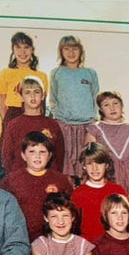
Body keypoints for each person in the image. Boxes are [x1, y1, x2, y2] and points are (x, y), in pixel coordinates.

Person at [0, 132, 72, 255]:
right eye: (32, 151)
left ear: (50, 155)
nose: (37, 156)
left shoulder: (60, 180)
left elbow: (69, 213)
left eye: (42, 152)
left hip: (52, 244)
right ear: (23, 155)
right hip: (23, 244)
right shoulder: (11, 181)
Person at [49, 35, 99, 182]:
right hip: (64, 125)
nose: (71, 53)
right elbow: (53, 99)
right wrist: (58, 119)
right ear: (61, 52)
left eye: (75, 48)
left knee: (87, 165)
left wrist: (93, 122)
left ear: (81, 51)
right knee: (66, 168)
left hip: (86, 126)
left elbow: (96, 98)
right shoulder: (57, 73)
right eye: (67, 49)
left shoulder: (90, 73)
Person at [1, 76, 65, 175]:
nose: (32, 96)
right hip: (21, 178)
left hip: (47, 178)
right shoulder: (13, 125)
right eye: (27, 92)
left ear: (43, 96)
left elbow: (59, 156)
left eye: (36, 92)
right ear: (21, 97)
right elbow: (7, 158)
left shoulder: (52, 124)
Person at [85, 91, 129, 193]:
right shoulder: (95, 129)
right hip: (108, 176)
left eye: (115, 103)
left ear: (122, 105)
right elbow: (90, 157)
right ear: (101, 109)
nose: (112, 108)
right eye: (106, 105)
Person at [71, 142, 127, 242]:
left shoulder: (117, 190)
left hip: (114, 244)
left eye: (99, 163)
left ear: (107, 165)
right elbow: (73, 227)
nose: (95, 168)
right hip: (88, 245)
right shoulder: (78, 194)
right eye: (89, 164)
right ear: (84, 166)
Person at [0, 32, 48, 127]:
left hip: (33, 115)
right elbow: (2, 105)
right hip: (12, 116)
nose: (22, 52)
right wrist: (8, 125)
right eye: (18, 47)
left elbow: (42, 106)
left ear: (32, 49)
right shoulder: (5, 73)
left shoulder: (41, 76)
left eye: (26, 47)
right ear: (13, 49)